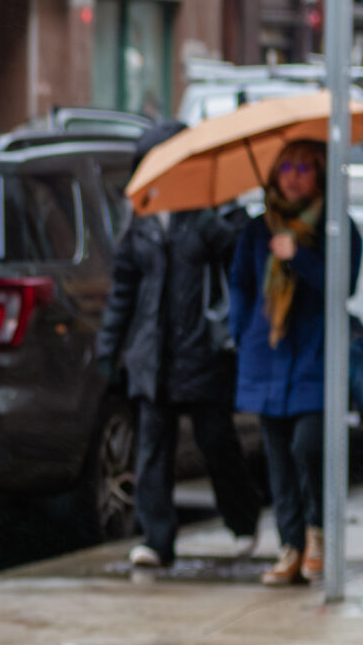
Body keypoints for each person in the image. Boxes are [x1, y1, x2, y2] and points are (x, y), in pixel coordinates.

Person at [94, 120, 264, 568]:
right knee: (153, 449)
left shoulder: (209, 212)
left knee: (217, 442)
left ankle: (243, 520)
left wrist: (217, 231)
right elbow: (124, 288)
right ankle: (157, 539)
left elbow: (241, 262)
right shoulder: (142, 217)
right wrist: (109, 348)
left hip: (201, 352)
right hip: (153, 355)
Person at [230, 136, 363, 586]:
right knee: (277, 460)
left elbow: (340, 286)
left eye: (304, 168)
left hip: (315, 358)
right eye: (285, 168)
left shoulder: (338, 227)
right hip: (267, 357)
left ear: (321, 175)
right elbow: (241, 287)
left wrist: (300, 257)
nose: (292, 177)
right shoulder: (257, 229)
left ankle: (318, 534)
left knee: (309, 447)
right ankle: (290, 547)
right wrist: (242, 333)